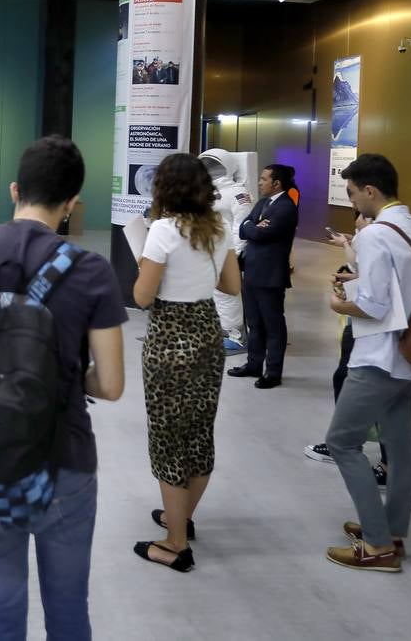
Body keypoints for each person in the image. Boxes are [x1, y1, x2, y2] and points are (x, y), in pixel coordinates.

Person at [0, 135, 127, 639]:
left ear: (16, 189)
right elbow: (114, 384)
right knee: (67, 606)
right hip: (65, 459)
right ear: (72, 204)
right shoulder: (91, 270)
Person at [132, 154, 241, 572]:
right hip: (206, 332)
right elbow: (231, 286)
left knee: (167, 439)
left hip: (169, 337)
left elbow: (142, 297)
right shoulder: (219, 229)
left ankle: (175, 542)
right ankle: (182, 517)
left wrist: (146, 266)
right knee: (197, 432)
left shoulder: (162, 230)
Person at [323, 154, 411, 573]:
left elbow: (374, 305)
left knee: (342, 442)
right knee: (401, 447)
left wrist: (339, 301)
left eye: (352, 193)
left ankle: (376, 544)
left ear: (370, 190)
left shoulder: (373, 235)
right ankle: (393, 530)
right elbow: (406, 288)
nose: (352, 203)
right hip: (408, 355)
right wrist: (360, 281)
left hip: (376, 357)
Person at [306, 211, 389, 489]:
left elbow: (379, 286)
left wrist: (341, 302)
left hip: (375, 325)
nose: (356, 221)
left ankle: (361, 450)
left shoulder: (384, 237)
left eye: (361, 216)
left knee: (368, 388)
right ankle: (347, 443)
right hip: (367, 323)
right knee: (348, 379)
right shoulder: (383, 236)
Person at [228, 163, 299, 387]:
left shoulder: (287, 207)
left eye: (263, 178)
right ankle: (253, 364)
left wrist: (255, 226)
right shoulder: (262, 203)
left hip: (270, 276)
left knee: (273, 325)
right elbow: (244, 227)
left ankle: (273, 373)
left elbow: (258, 233)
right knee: (254, 323)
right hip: (250, 272)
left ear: (276, 183)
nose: (259, 182)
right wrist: (254, 225)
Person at [199, 148, 248, 353]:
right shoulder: (205, 192)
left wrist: (235, 254)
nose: (211, 170)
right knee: (212, 294)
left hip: (227, 252)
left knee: (227, 295)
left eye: (215, 165)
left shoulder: (239, 193)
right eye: (208, 165)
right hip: (207, 250)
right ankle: (218, 330)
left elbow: (241, 225)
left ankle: (235, 336)